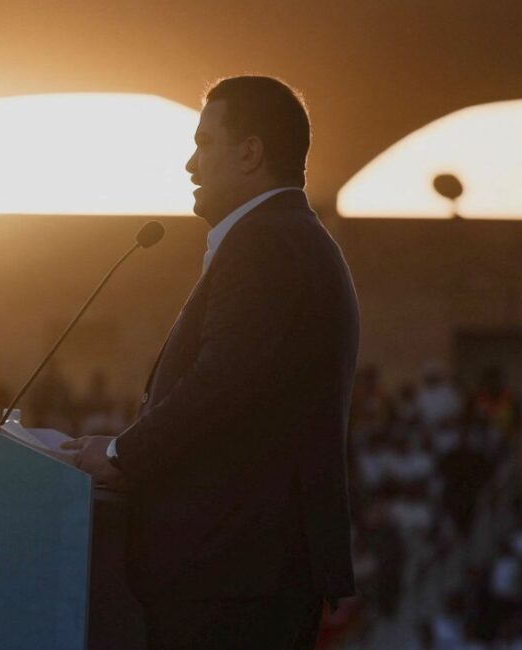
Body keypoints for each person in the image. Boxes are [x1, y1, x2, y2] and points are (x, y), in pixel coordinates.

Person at [63, 75, 359, 650]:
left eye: (204, 143)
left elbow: (221, 384)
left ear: (250, 153)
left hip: (231, 574)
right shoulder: (288, 237)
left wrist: (122, 454)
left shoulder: (267, 245)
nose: (190, 165)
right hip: (241, 570)